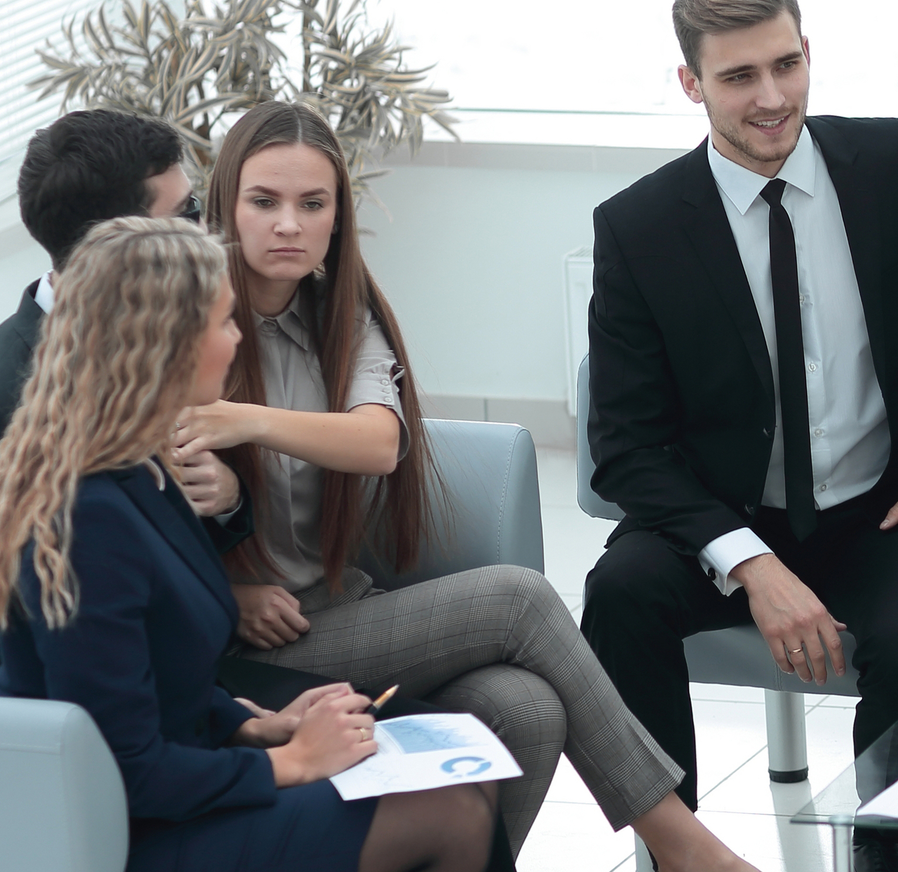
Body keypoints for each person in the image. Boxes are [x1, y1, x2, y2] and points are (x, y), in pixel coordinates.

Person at [177, 100, 758, 871]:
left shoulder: (342, 315)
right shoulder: (188, 327)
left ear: (338, 216)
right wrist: (231, 591)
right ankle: (686, 846)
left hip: (337, 607)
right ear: (225, 204)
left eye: (313, 204)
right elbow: (138, 515)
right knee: (521, 598)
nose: (290, 224)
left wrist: (243, 419)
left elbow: (378, 442)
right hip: (253, 644)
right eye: (264, 201)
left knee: (526, 707)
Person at [580, 0, 898, 868]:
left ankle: (878, 847)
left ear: (807, 51)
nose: (771, 98)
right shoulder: (637, 228)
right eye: (738, 77)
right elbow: (625, 447)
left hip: (885, 505)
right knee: (617, 596)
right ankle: (678, 845)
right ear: (691, 83)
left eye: (786, 65)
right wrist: (749, 563)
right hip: (724, 515)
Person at [0, 217, 498, 872]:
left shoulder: (141, 470)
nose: (238, 338)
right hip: (128, 831)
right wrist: (293, 761)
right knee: (448, 810)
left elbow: (151, 676)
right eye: (224, 322)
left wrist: (252, 723)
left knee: (464, 775)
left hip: (183, 781)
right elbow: (122, 767)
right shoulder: (87, 518)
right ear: (169, 345)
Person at [5, 110, 245, 535]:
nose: (206, 230)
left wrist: (229, 499)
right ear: (120, 241)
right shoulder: (8, 384)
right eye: (188, 213)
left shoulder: (199, 326)